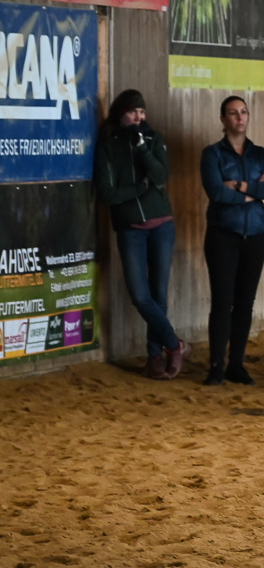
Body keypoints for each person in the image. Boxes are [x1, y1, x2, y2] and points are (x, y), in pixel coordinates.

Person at [96, 90, 185, 379]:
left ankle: (154, 357)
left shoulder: (154, 139)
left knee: (159, 294)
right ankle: (175, 344)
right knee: (140, 295)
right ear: (121, 113)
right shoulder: (108, 145)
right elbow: (107, 193)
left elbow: (160, 175)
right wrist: (140, 189)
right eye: (134, 111)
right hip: (130, 229)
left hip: (162, 225)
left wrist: (143, 149)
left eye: (142, 112)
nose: (139, 117)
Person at [199, 95, 264, 385]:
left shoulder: (260, 154)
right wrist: (254, 191)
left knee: (245, 302)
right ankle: (216, 365)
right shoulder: (213, 154)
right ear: (223, 119)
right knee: (223, 301)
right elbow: (216, 193)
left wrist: (239, 186)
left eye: (243, 112)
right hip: (223, 234)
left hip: (256, 235)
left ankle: (237, 363)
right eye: (233, 113)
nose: (239, 117)